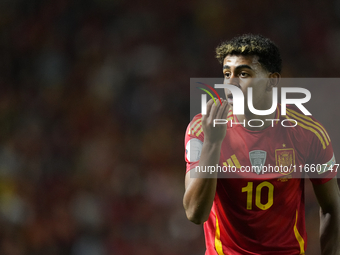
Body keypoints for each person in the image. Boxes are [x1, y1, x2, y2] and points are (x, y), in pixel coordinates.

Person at [183, 34, 340, 255]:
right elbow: (195, 214)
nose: (231, 83)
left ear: (272, 80)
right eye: (227, 74)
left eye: (243, 74)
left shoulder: (308, 132)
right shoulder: (203, 128)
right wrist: (212, 143)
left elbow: (332, 207)